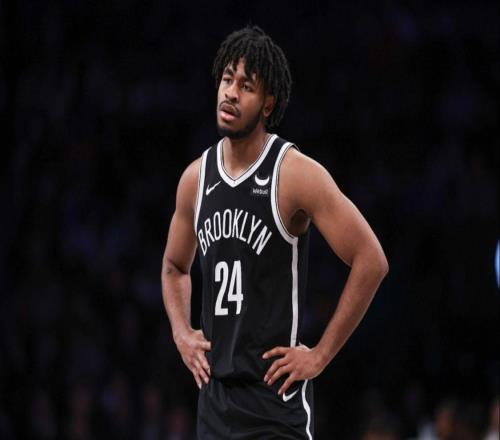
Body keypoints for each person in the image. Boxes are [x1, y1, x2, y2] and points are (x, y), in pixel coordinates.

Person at [161, 25, 388, 439]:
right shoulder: (195, 178)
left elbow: (371, 260)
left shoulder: (294, 173)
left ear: (268, 103)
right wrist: (181, 332)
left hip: (275, 405)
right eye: (227, 80)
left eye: (246, 86)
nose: (231, 93)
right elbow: (174, 267)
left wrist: (319, 355)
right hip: (214, 403)